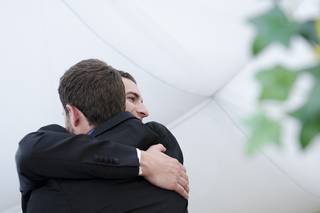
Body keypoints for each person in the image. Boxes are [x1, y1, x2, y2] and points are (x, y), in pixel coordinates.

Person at [16, 59, 188, 213]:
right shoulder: (158, 162)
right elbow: (32, 150)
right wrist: (142, 161)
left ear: (73, 114)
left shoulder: (161, 146)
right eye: (132, 98)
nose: (145, 110)